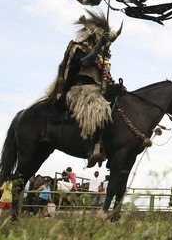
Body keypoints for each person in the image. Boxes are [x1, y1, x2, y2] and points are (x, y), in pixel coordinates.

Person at [47, 11, 123, 167]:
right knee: (97, 108)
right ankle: (91, 149)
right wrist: (99, 46)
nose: (106, 45)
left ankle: (109, 145)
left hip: (97, 89)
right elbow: (85, 63)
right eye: (101, 39)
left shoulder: (102, 56)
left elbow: (105, 76)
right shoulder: (79, 48)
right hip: (80, 89)